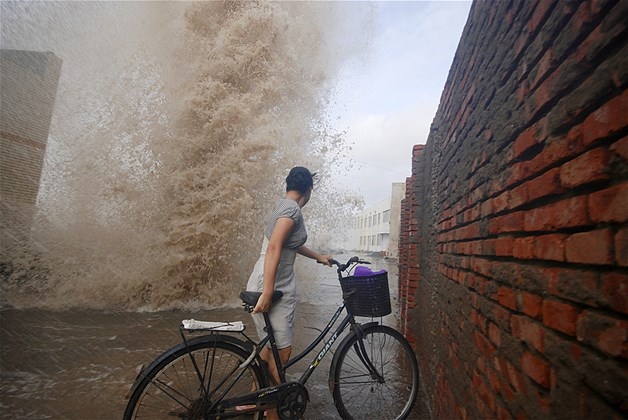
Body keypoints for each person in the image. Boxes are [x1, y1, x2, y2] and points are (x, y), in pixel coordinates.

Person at [245, 166, 333, 416]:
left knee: (267, 349)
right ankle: (271, 412)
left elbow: (286, 243)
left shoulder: (282, 206)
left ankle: (254, 401)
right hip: (274, 286)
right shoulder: (292, 209)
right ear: (308, 190)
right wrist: (269, 291)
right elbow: (274, 247)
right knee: (282, 354)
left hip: (265, 280)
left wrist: (318, 257)